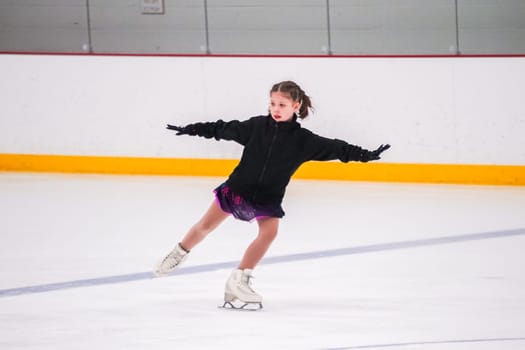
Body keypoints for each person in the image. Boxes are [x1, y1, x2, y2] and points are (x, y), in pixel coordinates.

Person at [155, 80, 390, 309]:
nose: (276, 109)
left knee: (269, 233)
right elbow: (222, 128)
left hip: (268, 197)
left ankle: (240, 278)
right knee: (204, 226)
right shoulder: (255, 127)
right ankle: (179, 252)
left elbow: (337, 148)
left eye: (282, 105)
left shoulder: (304, 141)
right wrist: (193, 129)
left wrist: (365, 154)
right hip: (238, 189)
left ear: (296, 106)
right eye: (273, 104)